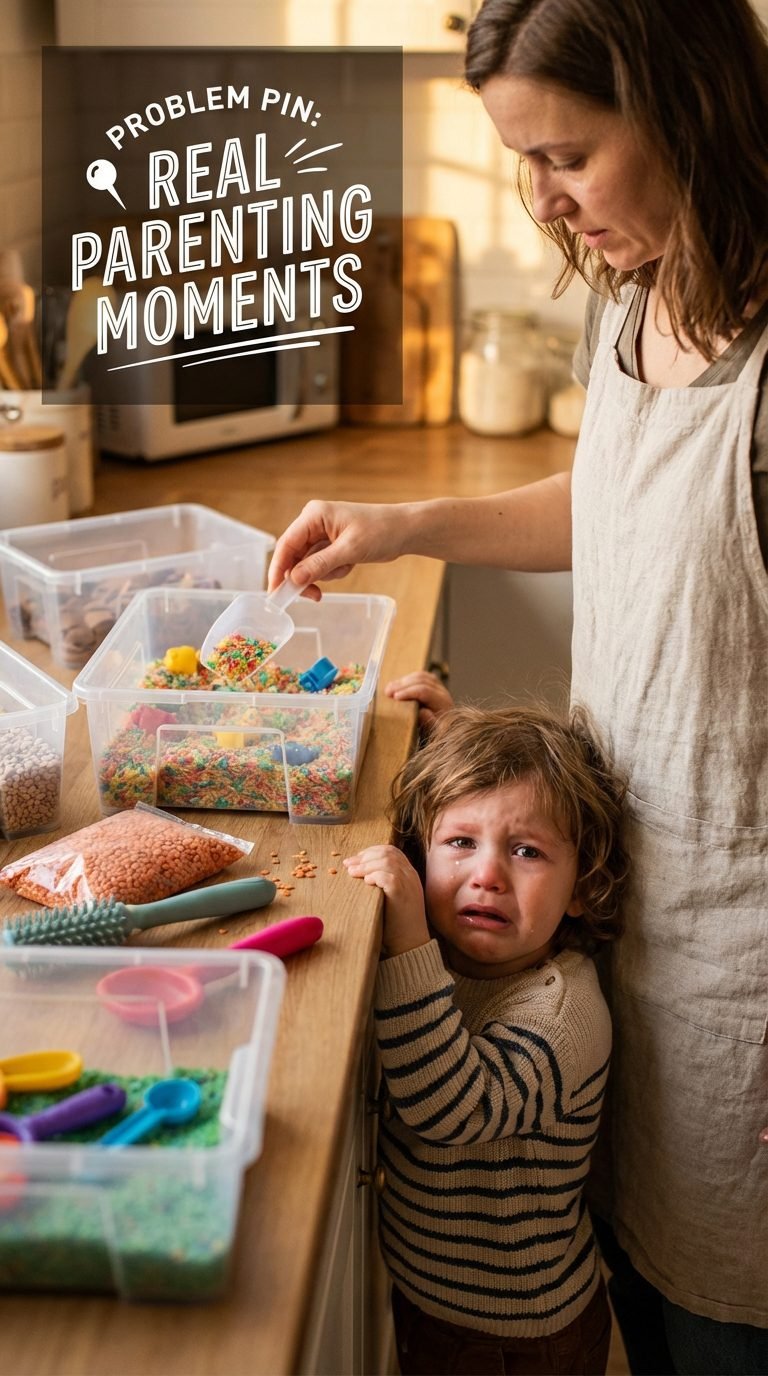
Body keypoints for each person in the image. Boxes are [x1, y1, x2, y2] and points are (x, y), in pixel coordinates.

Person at [270, 2, 768, 1370]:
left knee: (723, 1321)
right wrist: (405, 522)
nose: (542, 198)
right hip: (619, 923)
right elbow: (619, 504)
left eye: (565, 154)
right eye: (523, 161)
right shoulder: (638, 291)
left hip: (740, 988)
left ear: (686, 108)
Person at [345, 703, 628, 1376]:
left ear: (584, 885)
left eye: (527, 851)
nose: (488, 874)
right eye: (461, 843)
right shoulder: (456, 959)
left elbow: (451, 1108)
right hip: (431, 1298)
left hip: (515, 1337)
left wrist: (409, 938)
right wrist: (434, 733)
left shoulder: (562, 1014)